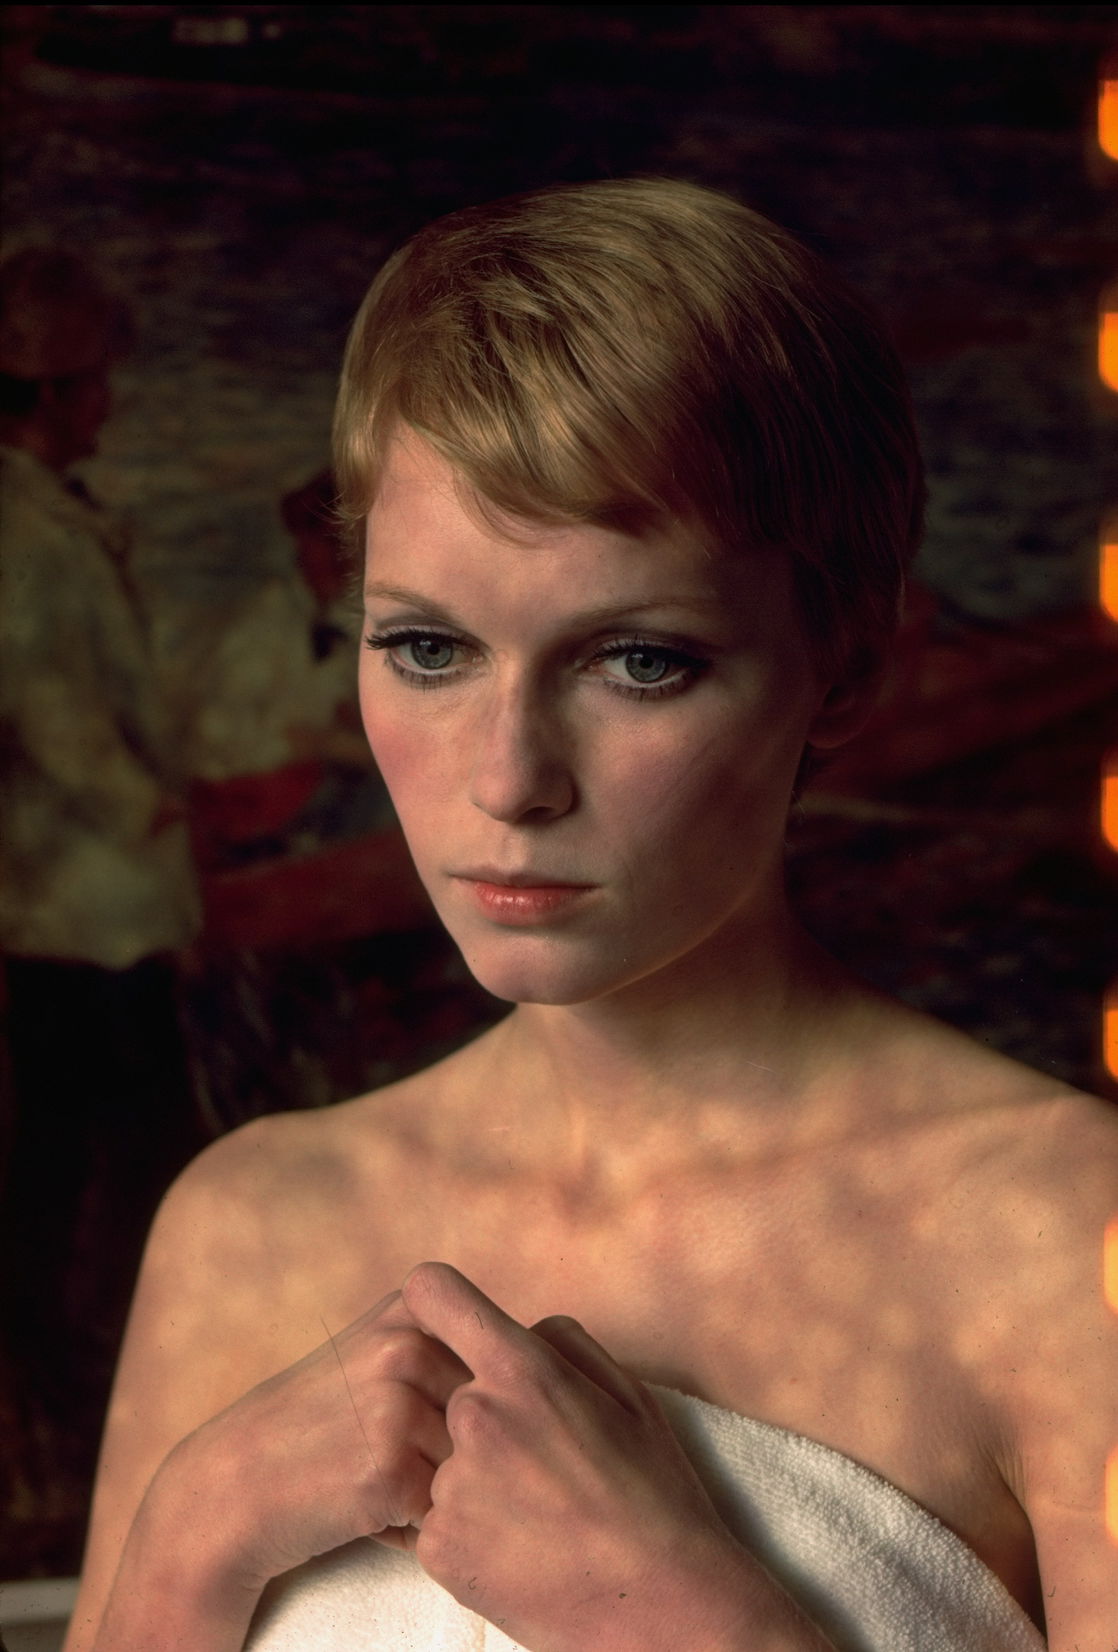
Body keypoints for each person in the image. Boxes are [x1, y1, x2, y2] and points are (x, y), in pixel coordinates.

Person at [66, 181, 1114, 1652]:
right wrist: (189, 1539)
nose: (508, 779)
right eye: (427, 647)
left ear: (852, 669)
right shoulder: (246, 1224)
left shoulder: (1057, 1236)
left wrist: (685, 1616)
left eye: (636, 661)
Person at [0, 247, 203, 1446]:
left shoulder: (54, 514)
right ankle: (72, 1360)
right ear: (48, 394)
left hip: (99, 900)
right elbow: (49, 706)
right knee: (109, 1142)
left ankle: (83, 1349)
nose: (110, 405)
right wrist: (151, 806)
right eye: (94, 385)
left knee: (89, 1138)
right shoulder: (21, 530)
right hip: (83, 905)